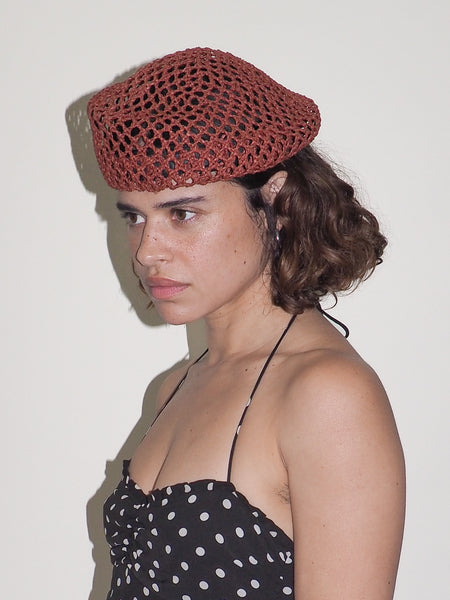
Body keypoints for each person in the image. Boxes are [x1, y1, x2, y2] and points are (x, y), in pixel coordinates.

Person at [87, 47, 405, 600]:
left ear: (276, 202)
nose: (147, 251)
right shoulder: (176, 385)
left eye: (182, 213)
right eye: (135, 217)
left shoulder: (327, 395)